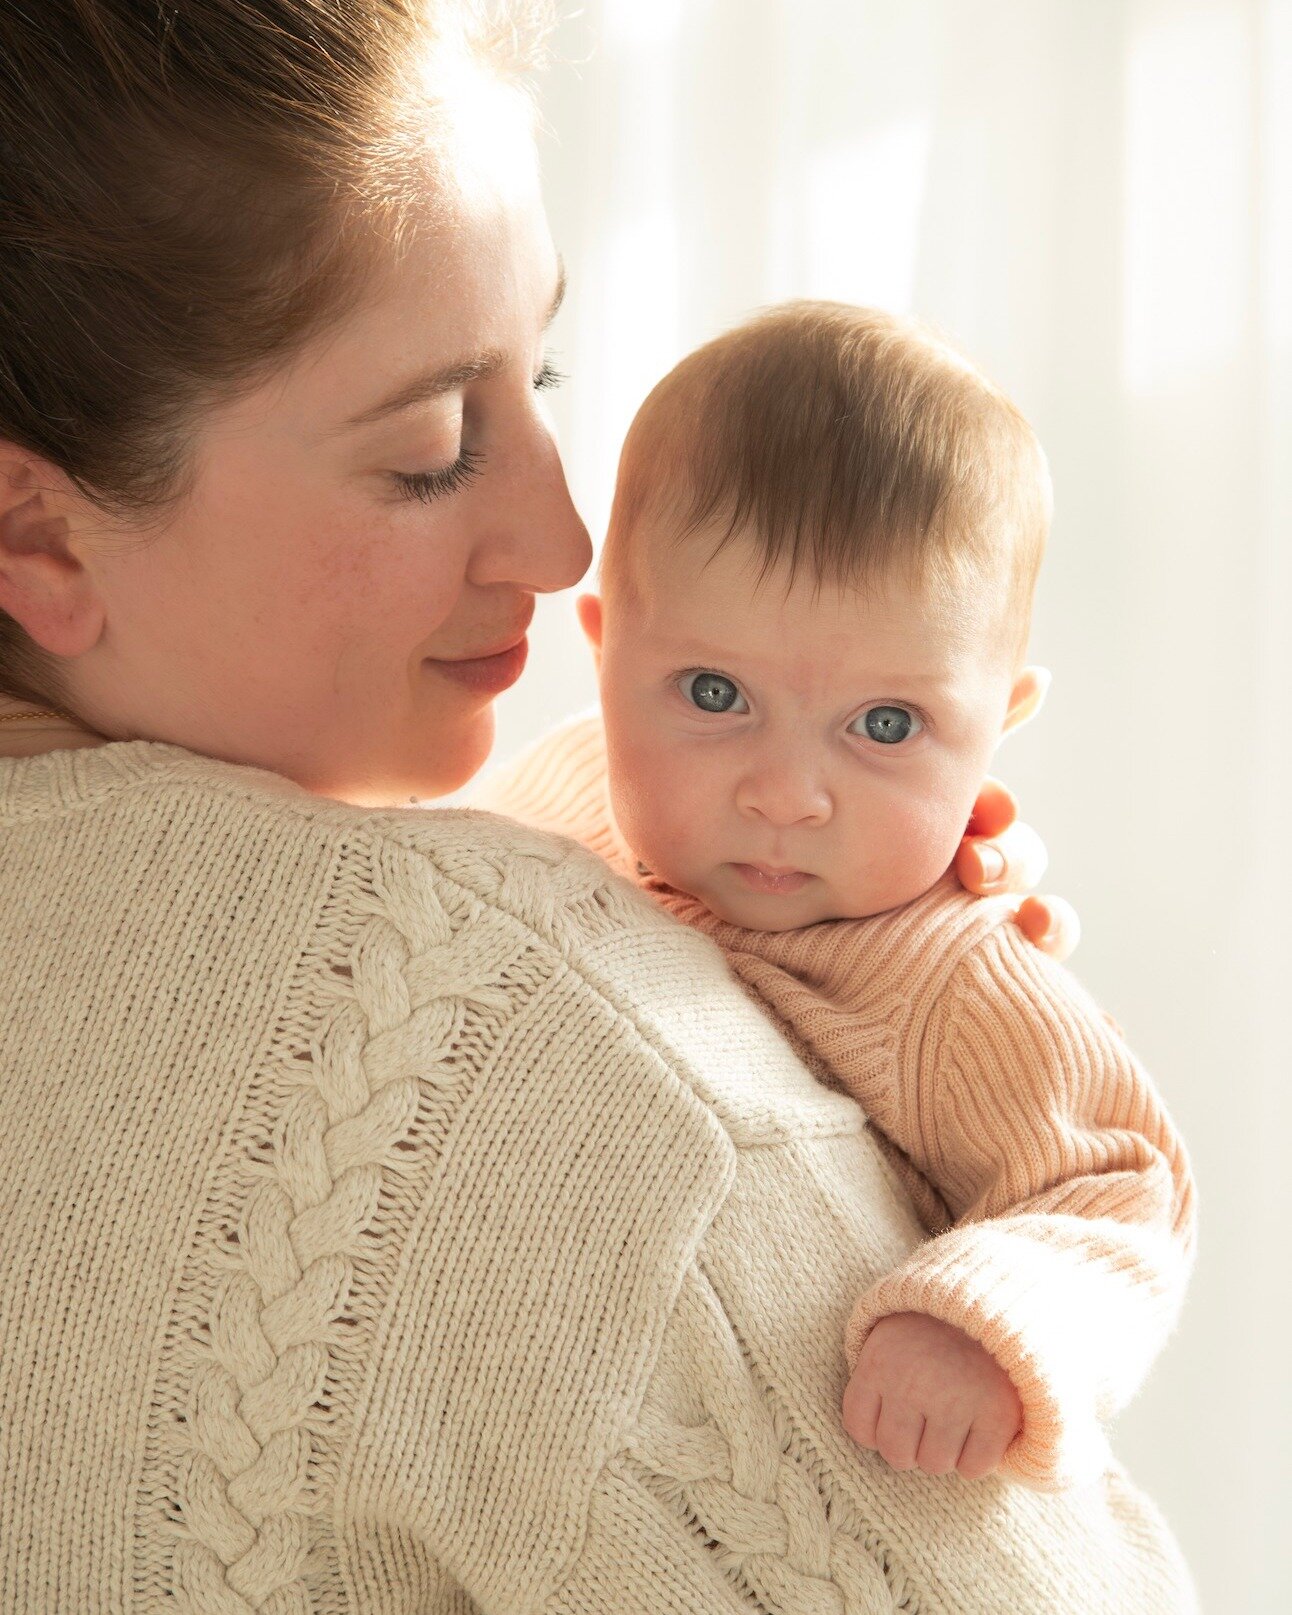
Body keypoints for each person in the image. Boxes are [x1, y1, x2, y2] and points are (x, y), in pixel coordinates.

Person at [0, 3, 1194, 1611]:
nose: (569, 541)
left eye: (543, 369)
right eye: (432, 446)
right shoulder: (566, 1082)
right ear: (38, 533)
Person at [474, 301, 1196, 1493]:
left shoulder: (948, 971)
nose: (785, 793)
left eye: (884, 725)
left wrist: (977, 1322)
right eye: (712, 693)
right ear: (604, 654)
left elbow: (1117, 1182)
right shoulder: (558, 784)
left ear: (995, 727)